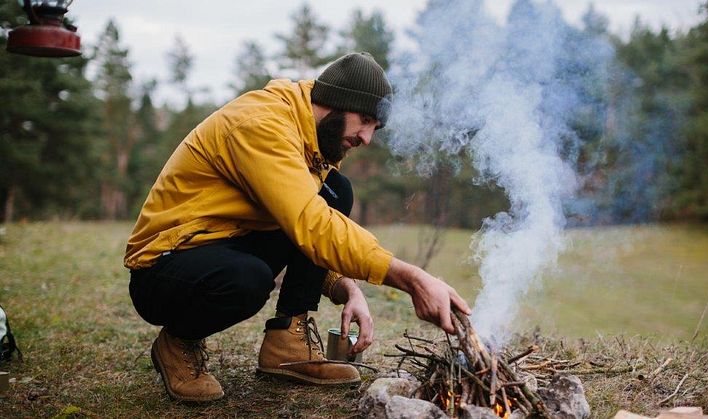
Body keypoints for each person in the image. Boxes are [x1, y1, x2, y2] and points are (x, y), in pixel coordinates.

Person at [124, 52, 471, 402]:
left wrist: (345, 286)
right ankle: (178, 341)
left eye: (375, 128)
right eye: (364, 120)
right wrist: (411, 278)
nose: (367, 138)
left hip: (226, 240)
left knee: (336, 190)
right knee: (247, 279)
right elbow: (310, 223)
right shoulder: (262, 125)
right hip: (164, 266)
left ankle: (287, 340)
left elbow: (304, 220)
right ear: (336, 102)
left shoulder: (311, 140)